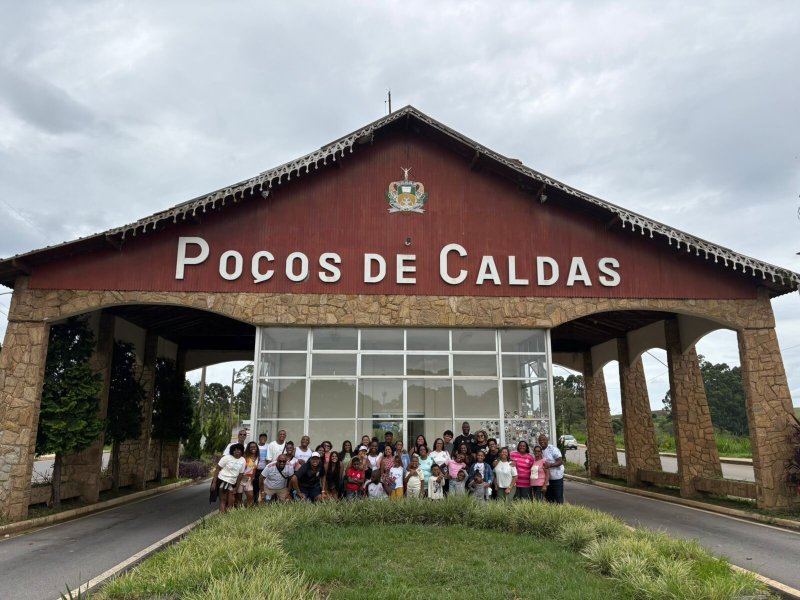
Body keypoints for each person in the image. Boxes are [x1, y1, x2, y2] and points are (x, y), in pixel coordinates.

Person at [210, 443, 245, 513]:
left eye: (239, 450)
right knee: (223, 500)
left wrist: (236, 488)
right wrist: (214, 483)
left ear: (241, 451)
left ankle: (228, 517)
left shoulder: (243, 460)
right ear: (232, 451)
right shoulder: (226, 458)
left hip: (232, 482)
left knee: (231, 500)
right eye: (235, 450)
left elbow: (240, 475)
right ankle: (222, 516)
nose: (237, 451)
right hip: (222, 480)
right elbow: (217, 469)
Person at [538, 433, 564, 504]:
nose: (542, 441)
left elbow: (560, 461)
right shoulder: (539, 451)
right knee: (549, 499)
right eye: (540, 440)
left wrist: (550, 465)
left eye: (544, 440)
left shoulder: (553, 449)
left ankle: (560, 514)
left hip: (556, 478)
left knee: (558, 499)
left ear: (547, 440)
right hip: (546, 480)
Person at [238, 441, 259, 507]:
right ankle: (239, 512)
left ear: (257, 448)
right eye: (251, 447)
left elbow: (254, 469)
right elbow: (239, 468)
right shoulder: (244, 457)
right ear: (248, 448)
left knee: (250, 496)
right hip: (241, 479)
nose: (253, 448)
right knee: (239, 498)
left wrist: (252, 478)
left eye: (254, 447)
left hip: (249, 479)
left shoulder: (257, 457)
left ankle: (248, 511)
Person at [255, 433, 269, 502]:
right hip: (256, 469)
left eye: (265, 437)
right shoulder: (256, 446)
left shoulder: (268, 446)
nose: (263, 439)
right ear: (259, 439)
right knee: (255, 485)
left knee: (263, 486)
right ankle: (255, 501)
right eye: (262, 437)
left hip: (264, 469)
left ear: (266, 439)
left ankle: (262, 501)